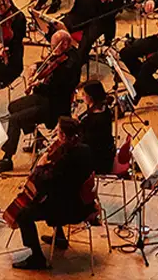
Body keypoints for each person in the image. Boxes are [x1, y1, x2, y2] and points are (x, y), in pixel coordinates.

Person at [9, 116, 98, 271]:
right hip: (85, 203)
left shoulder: (66, 159)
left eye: (57, 131)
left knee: (24, 214)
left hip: (70, 210)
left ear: (63, 136)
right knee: (52, 197)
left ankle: (37, 258)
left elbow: (48, 182)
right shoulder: (85, 149)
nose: (55, 133)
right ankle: (60, 237)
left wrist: (40, 166)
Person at [0, 31, 84, 173]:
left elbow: (56, 88)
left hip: (54, 106)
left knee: (15, 120)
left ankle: (7, 158)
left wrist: (37, 84)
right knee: (13, 106)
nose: (52, 50)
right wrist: (36, 66)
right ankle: (39, 140)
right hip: (45, 98)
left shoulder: (71, 64)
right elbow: (51, 64)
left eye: (54, 47)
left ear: (65, 44)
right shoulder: (62, 55)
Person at [76, 81, 118, 175]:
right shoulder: (104, 108)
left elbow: (85, 142)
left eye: (83, 95)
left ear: (90, 97)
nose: (82, 97)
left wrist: (77, 127)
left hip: (99, 162)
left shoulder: (95, 119)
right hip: (106, 153)